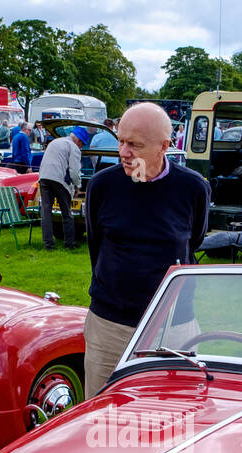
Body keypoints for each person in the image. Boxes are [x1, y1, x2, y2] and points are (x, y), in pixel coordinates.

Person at [83, 102, 211, 396]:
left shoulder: (192, 188)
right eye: (121, 141)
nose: (124, 152)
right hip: (110, 326)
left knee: (175, 411)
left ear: (164, 146)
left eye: (135, 145)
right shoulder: (102, 185)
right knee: (101, 413)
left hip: (175, 327)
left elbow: (194, 240)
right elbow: (96, 244)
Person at [38, 126, 88, 250]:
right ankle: (69, 243)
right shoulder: (74, 147)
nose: (81, 146)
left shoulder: (54, 142)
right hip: (59, 180)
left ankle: (48, 245)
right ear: (78, 140)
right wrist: (77, 186)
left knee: (46, 212)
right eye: (82, 143)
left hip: (44, 178)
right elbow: (75, 171)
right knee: (67, 213)